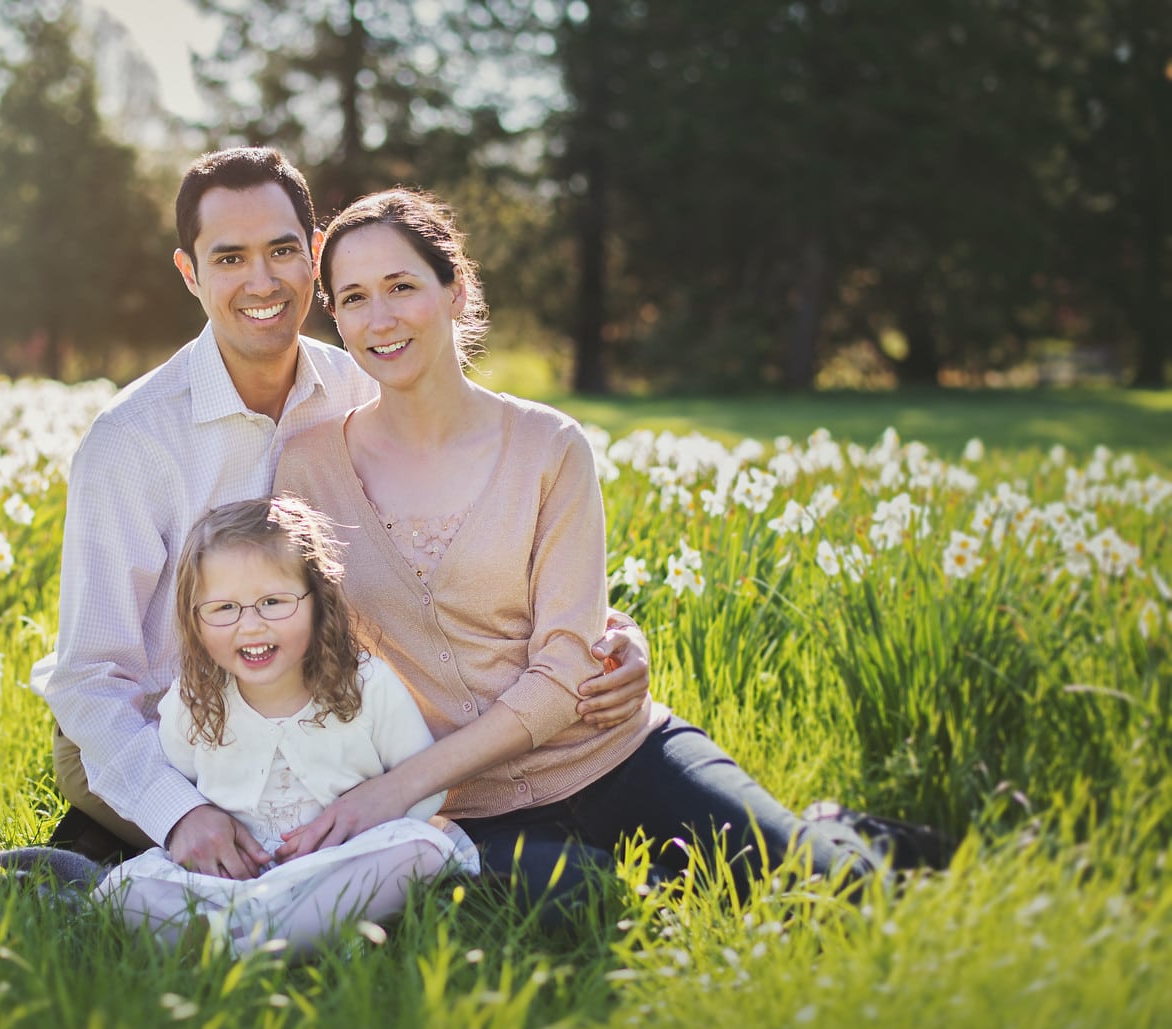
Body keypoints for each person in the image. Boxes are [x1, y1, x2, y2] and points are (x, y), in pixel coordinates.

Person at [272, 189, 919, 913]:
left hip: (612, 752)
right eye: (353, 298)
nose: (380, 318)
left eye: (402, 286)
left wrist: (398, 785)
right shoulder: (307, 468)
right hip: (469, 811)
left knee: (838, 897)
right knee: (600, 908)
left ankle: (843, 834)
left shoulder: (550, 447)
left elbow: (563, 670)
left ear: (454, 289)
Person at [28, 147, 653, 881]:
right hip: (167, 732)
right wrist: (177, 808)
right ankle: (99, 870)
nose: (261, 282)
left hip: (313, 721)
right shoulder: (132, 441)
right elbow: (91, 677)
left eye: (283, 250)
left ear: (315, 255)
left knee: (344, 846)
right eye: (229, 258)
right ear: (190, 273)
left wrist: (605, 639)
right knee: (309, 869)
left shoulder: (363, 383)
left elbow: (473, 525)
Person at [90, 495, 475, 956]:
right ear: (195, 619)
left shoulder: (366, 685)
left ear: (318, 602)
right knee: (126, 891)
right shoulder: (194, 701)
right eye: (224, 608)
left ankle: (251, 943)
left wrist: (368, 836)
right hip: (232, 881)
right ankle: (283, 937)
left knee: (420, 851)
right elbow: (175, 777)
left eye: (273, 602)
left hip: (336, 868)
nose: (250, 626)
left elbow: (423, 786)